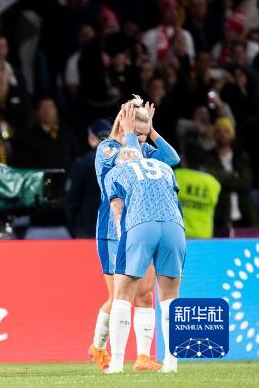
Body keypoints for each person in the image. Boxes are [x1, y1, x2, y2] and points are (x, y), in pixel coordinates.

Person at [89, 99, 179, 372]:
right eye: (138, 133)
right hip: (113, 230)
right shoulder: (108, 149)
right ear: (124, 125)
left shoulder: (142, 146)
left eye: (144, 134)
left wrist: (151, 131)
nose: (142, 139)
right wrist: (132, 135)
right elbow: (133, 165)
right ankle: (98, 346)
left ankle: (143, 357)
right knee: (118, 296)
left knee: (145, 294)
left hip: (142, 225)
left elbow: (172, 160)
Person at [103, 147, 186, 374]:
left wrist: (123, 241)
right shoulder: (164, 168)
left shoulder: (115, 172)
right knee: (170, 299)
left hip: (140, 226)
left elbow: (117, 210)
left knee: (122, 295)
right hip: (174, 228)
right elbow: (174, 201)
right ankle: (171, 364)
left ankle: (116, 364)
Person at [65, 120, 112, 238]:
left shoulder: (84, 162)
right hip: (116, 228)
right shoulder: (123, 161)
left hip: (87, 228)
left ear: (92, 138)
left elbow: (71, 199)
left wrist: (74, 226)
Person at [174, 144, 221, 239]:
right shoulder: (213, 183)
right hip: (204, 238)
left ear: (183, 158)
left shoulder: (175, 176)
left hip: (178, 237)